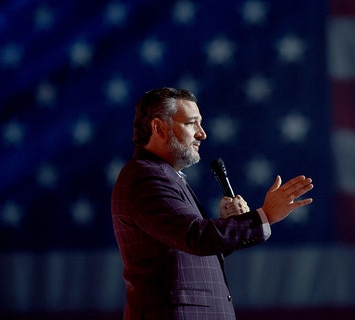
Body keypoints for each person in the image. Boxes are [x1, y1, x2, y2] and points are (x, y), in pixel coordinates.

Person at [111, 87, 314, 320]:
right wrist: (264, 215)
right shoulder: (144, 177)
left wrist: (228, 224)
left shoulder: (165, 176)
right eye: (191, 123)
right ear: (159, 128)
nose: (202, 134)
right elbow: (196, 237)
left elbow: (187, 253)